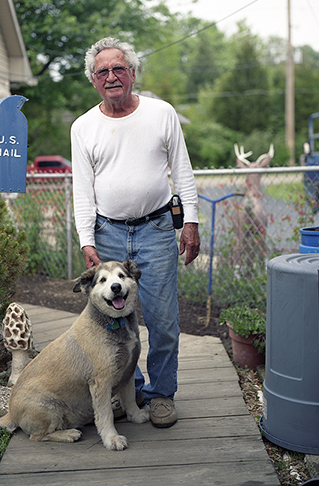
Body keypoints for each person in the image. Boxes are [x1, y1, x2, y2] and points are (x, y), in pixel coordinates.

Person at [71, 36, 200, 428]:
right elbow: (83, 190)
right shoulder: (83, 127)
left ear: (132, 73)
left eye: (118, 68)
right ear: (94, 80)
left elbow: (182, 173)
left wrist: (190, 222)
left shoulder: (161, 113)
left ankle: (162, 395)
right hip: (108, 234)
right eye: (103, 71)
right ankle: (132, 392)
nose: (111, 76)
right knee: (115, 324)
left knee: (163, 321)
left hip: (158, 229)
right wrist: (87, 240)